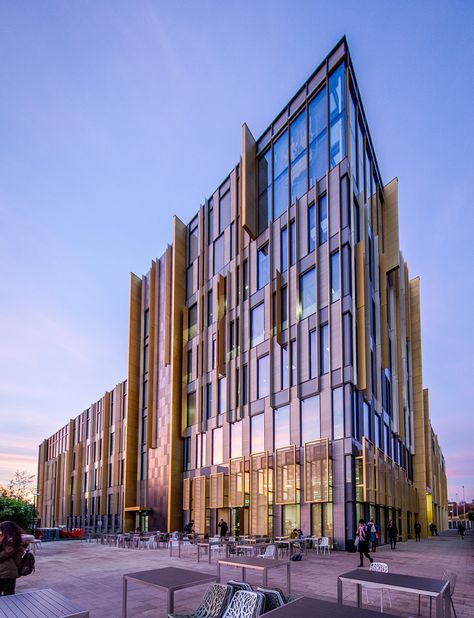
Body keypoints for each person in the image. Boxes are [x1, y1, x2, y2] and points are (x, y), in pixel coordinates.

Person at [0, 521, 25, 596]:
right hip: (5, 571)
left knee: (9, 596)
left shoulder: (13, 541)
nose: (1, 532)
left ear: (8, 530)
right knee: (9, 595)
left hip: (7, 572)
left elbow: (2, 555)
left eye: (2, 530)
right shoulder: (8, 540)